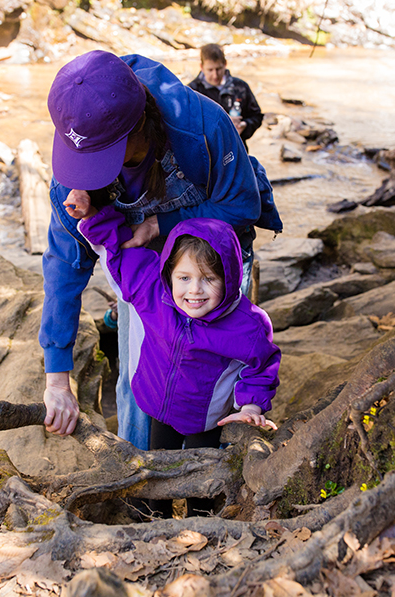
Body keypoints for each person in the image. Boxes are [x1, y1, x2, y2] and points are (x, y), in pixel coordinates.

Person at [39, 50, 282, 450]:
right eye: (84, 163)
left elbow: (242, 205)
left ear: (140, 129)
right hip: (143, 265)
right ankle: (140, 476)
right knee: (144, 373)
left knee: (228, 358)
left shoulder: (202, 125)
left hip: (216, 255)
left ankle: (225, 464)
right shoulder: (76, 149)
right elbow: (64, 266)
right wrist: (57, 378)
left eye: (100, 163)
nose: (89, 173)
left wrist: (157, 224)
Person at [65, 192, 280, 517]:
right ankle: (156, 518)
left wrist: (250, 406)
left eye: (209, 279)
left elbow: (261, 367)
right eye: (184, 278)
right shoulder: (153, 289)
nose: (194, 290)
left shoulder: (246, 325)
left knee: (201, 479)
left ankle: (201, 523)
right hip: (155, 405)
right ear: (169, 274)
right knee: (158, 468)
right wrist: (93, 213)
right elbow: (117, 252)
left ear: (231, 277)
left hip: (204, 420)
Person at [187, 44, 263, 151]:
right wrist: (223, 123)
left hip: (237, 149)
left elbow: (256, 116)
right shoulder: (192, 92)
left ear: (225, 64)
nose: (215, 75)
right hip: (206, 153)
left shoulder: (240, 87)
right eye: (210, 70)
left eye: (219, 69)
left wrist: (244, 125)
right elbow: (187, 125)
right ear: (201, 67)